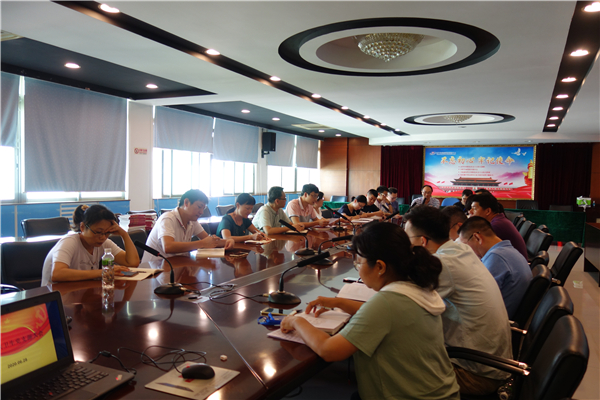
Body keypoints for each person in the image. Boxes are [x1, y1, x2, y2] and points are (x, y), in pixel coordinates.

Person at [280, 222, 460, 400]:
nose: (358, 269)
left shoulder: (386, 303)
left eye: (359, 263)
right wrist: (338, 302)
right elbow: (383, 316)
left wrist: (296, 321)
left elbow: (328, 350)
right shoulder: (415, 287)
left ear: (380, 267)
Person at [403, 206, 512, 396]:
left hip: (475, 374)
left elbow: (402, 305)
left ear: (422, 241)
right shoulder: (461, 250)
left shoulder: (444, 264)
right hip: (490, 362)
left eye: (407, 239)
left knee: (393, 361)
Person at [41, 205, 140, 286]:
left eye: (107, 233)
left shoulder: (104, 243)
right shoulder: (69, 242)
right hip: (55, 299)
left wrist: (124, 234)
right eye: (98, 232)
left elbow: (132, 262)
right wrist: (103, 272)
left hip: (80, 293)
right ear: (82, 227)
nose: (103, 237)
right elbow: (57, 274)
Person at [458, 217, 532, 319]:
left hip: (494, 320)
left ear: (477, 238)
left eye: (465, 245)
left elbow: (477, 299)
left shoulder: (496, 258)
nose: (466, 250)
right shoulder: (506, 251)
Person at [142, 189, 234, 263]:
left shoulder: (192, 221)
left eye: (203, 208)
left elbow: (209, 241)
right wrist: (202, 243)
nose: (201, 212)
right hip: (155, 269)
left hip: (175, 264)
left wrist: (228, 241)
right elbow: (168, 247)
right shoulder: (168, 218)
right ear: (186, 202)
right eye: (199, 207)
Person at [468, 193, 528, 260]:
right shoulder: (498, 220)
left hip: (512, 263)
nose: (470, 212)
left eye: (474, 209)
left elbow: (481, 252)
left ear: (488, 211)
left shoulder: (496, 226)